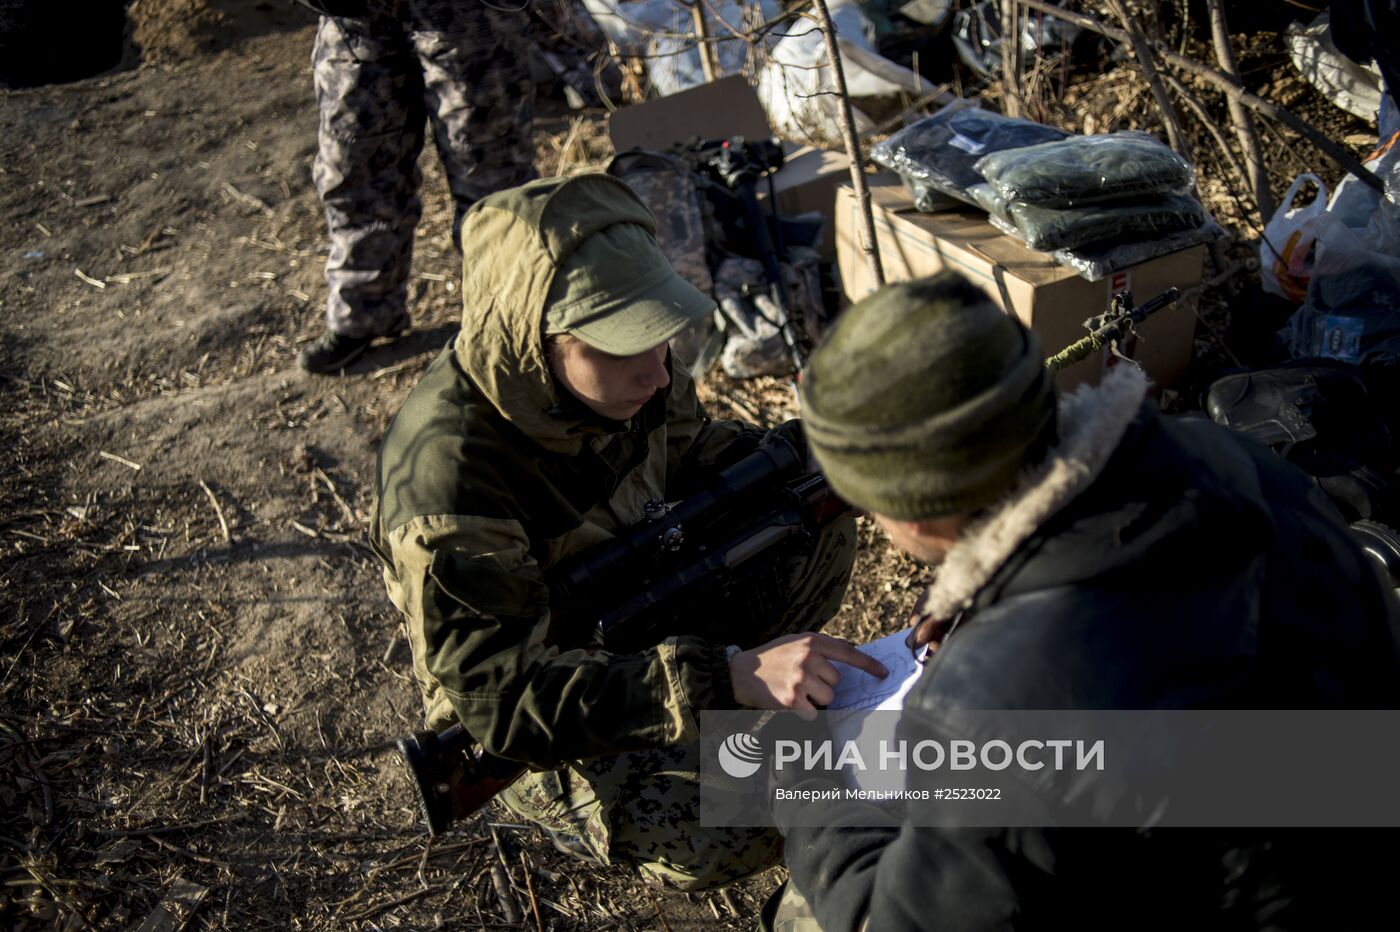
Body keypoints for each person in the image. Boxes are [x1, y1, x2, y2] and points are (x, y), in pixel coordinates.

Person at [767, 272, 1400, 930]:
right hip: (1350, 848)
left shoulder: (996, 701)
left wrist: (804, 787)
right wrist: (995, 601)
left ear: (915, 518)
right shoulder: (1224, 455)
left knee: (800, 915)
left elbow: (900, 922)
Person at [369, 173, 878, 889]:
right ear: (536, 335)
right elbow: (505, 703)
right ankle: (690, 739)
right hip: (540, 699)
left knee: (810, 527)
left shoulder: (636, 375)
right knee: (752, 818)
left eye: (660, 337)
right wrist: (717, 675)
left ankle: (747, 703)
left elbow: (692, 452)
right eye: (622, 346)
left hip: (641, 600)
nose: (659, 372)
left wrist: (823, 448)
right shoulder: (449, 483)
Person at [296, 0, 537, 374]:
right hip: (357, 17)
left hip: (467, 13)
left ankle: (511, 320)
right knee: (355, 169)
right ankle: (364, 314)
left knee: (493, 177)